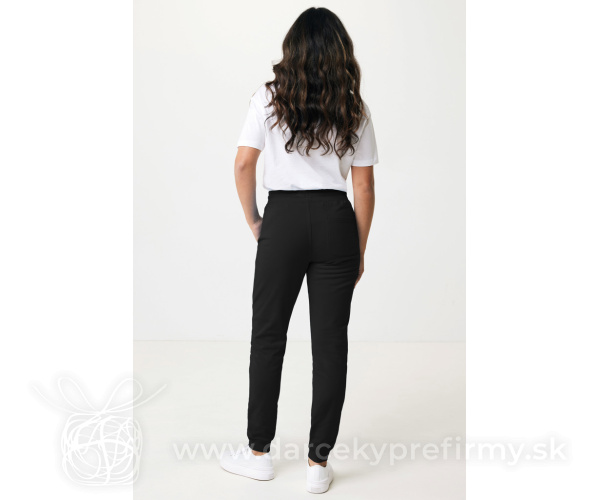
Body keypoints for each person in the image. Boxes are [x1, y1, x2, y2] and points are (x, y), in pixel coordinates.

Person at [220, 7, 378, 494]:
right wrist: (358, 249)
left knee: (268, 336)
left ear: (292, 49)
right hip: (336, 222)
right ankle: (317, 465)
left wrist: (255, 220)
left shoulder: (268, 98)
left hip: (283, 221)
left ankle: (258, 455)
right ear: (339, 51)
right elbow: (364, 186)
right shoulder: (353, 106)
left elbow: (243, 164)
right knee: (330, 346)